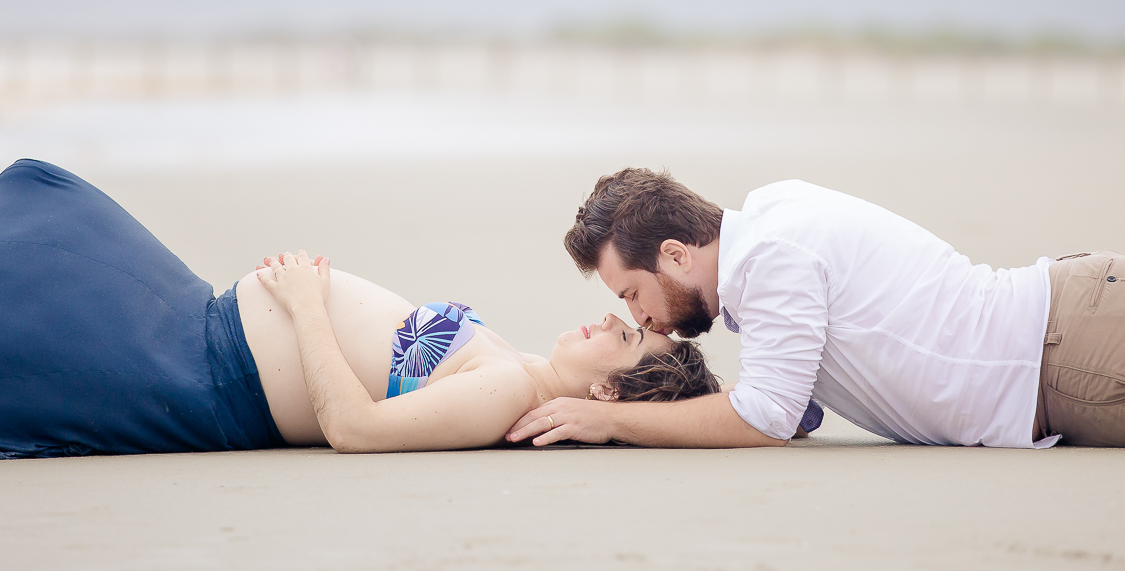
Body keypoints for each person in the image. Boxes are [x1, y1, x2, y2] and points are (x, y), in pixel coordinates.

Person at [0, 159, 719, 458]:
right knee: (47, 215)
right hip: (199, 323)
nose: (609, 318)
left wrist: (307, 305)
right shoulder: (519, 369)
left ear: (608, 392)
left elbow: (355, 429)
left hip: (205, 371)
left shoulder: (506, 391)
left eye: (627, 337)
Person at [507, 168, 1125, 449]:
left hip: (1071, 353)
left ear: (676, 255)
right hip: (1077, 324)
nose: (641, 318)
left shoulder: (769, 259)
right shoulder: (770, 225)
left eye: (632, 293)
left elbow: (769, 417)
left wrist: (608, 418)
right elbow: (799, 410)